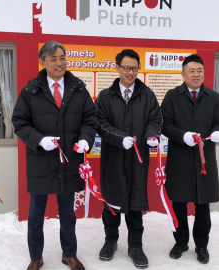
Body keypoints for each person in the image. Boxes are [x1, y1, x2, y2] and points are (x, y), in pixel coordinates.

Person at [12, 41, 97, 270]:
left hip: (69, 160)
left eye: (62, 58)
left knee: (67, 213)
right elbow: (19, 122)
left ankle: (69, 254)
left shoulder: (78, 88)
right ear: (42, 62)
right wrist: (39, 140)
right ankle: (35, 257)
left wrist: (85, 140)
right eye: (53, 59)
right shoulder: (31, 90)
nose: (60, 63)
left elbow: (90, 119)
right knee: (36, 214)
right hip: (41, 160)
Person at [95, 49, 162, 268]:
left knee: (135, 204)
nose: (130, 72)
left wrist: (152, 135)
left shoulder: (147, 94)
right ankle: (110, 241)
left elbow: (155, 119)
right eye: (126, 67)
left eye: (134, 68)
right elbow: (100, 124)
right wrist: (120, 138)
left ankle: (135, 246)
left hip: (137, 158)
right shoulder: (105, 96)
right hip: (113, 157)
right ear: (117, 68)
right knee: (111, 204)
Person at [161, 54, 219, 265]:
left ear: (204, 73)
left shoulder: (213, 97)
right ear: (183, 74)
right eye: (191, 71)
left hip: (204, 161)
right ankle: (180, 242)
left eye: (199, 70)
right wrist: (183, 136)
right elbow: (165, 125)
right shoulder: (172, 96)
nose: (196, 74)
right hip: (179, 160)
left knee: (203, 206)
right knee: (178, 204)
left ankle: (201, 245)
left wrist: (218, 132)